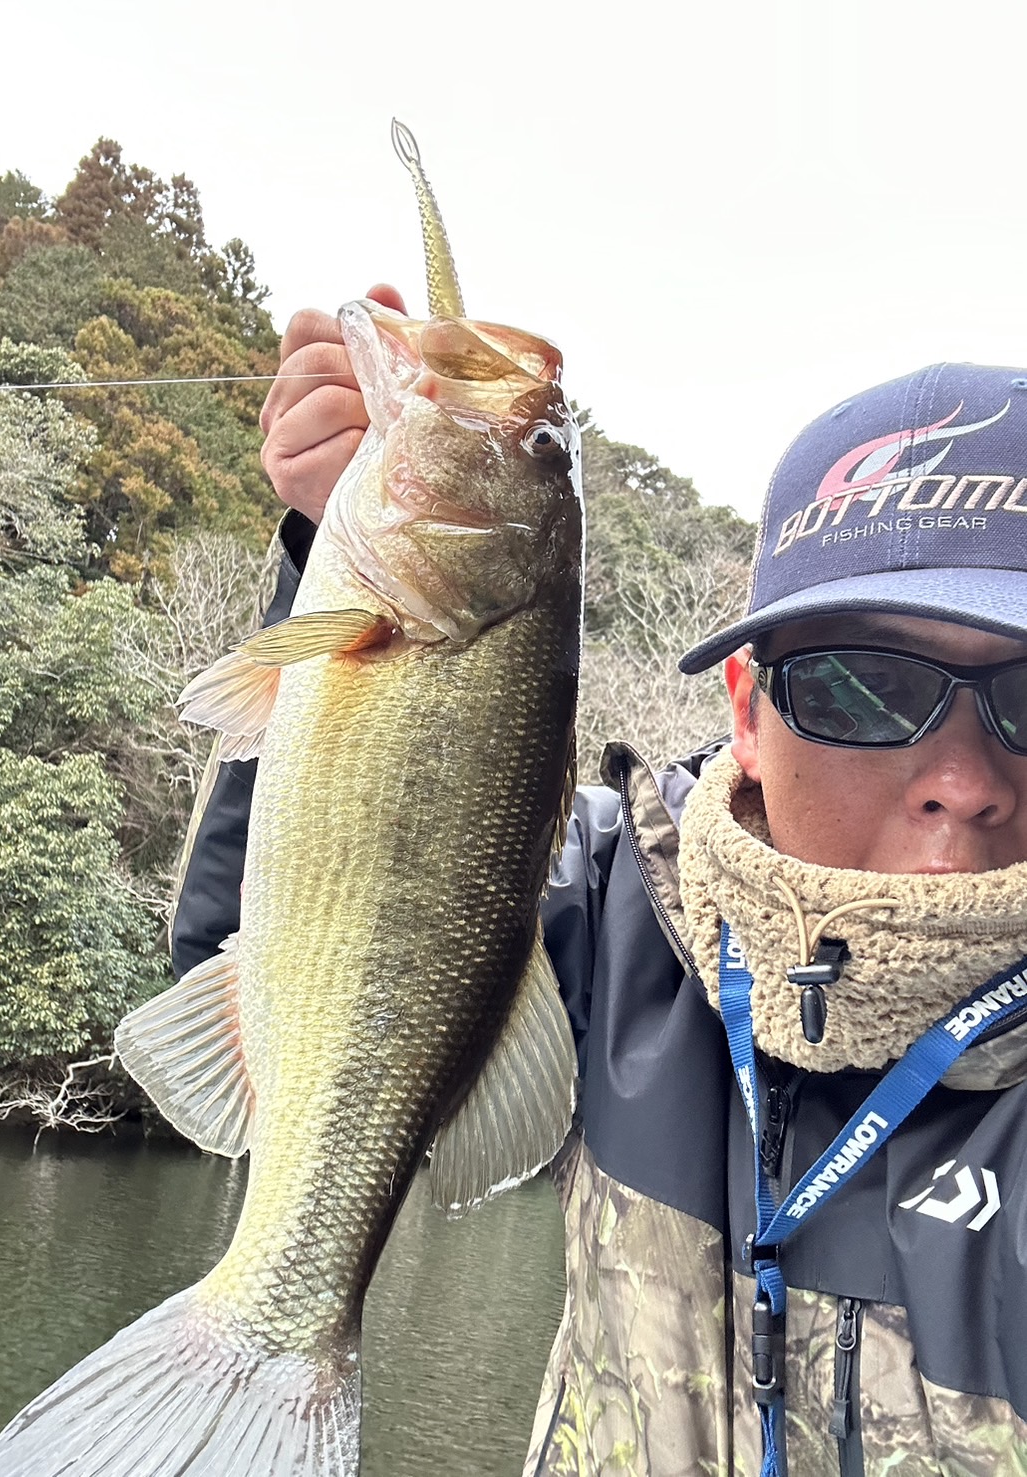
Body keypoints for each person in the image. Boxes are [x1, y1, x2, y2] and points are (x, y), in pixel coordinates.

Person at [172, 293, 1027, 1476]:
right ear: (748, 713)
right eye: (864, 688)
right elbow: (260, 935)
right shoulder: (619, 909)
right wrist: (323, 563)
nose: (963, 783)